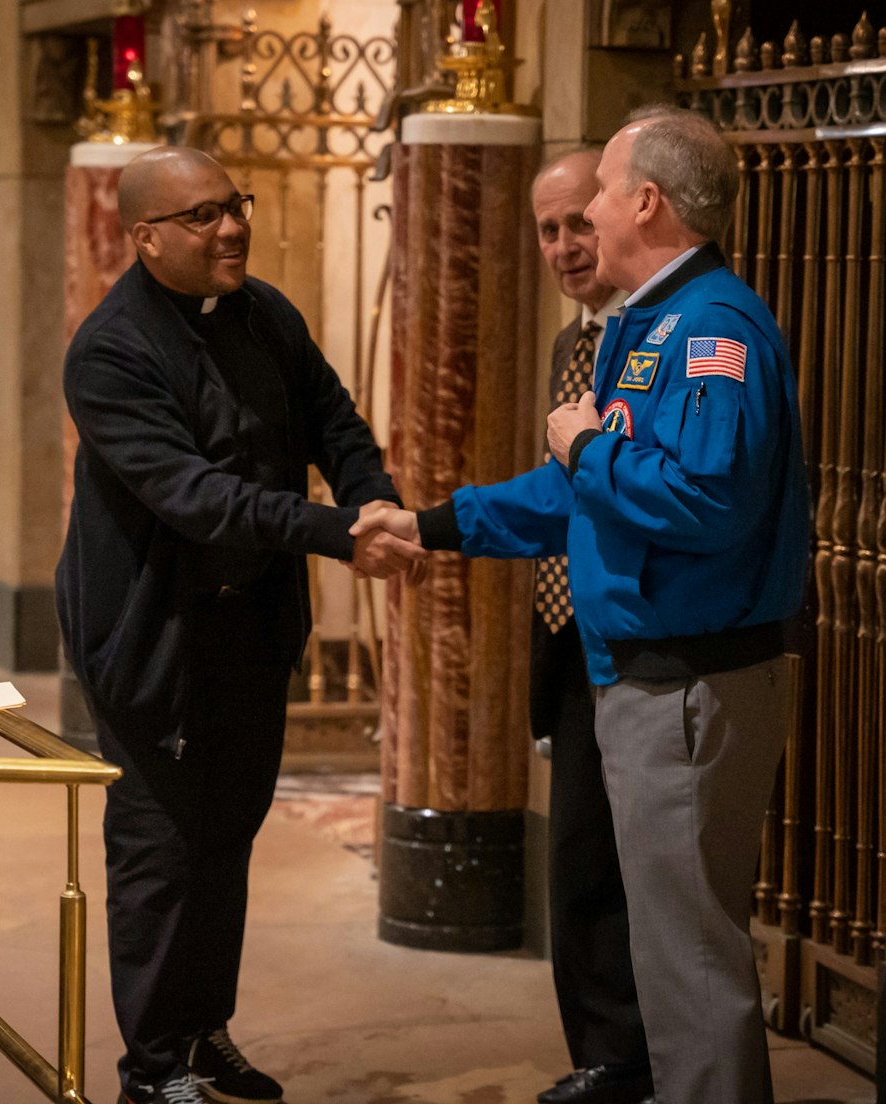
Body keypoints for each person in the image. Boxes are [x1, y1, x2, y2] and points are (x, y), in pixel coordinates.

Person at [353, 109, 810, 1104]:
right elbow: (581, 498)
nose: (586, 212)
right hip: (642, 671)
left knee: (690, 961)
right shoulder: (647, 327)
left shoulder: (712, 333)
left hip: (690, 673)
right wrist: (432, 527)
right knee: (666, 948)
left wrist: (584, 446)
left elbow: (704, 500)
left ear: (644, 201)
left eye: (600, 189)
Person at [56, 146, 424, 1104]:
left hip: (251, 629)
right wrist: (343, 534)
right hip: (155, 638)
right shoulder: (110, 351)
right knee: (160, 850)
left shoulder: (264, 312)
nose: (233, 228)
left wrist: (373, 501)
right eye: (204, 216)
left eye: (236, 206)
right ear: (145, 238)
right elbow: (197, 498)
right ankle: (148, 1072)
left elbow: (333, 422)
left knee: (228, 837)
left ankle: (200, 1030)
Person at [526, 148, 652, 1104]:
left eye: (580, 220)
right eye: (549, 229)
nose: (567, 245)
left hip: (642, 635)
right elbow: (556, 503)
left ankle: (631, 1061)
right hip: (571, 636)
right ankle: (604, 1057)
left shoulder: (663, 336)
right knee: (576, 860)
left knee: (620, 867)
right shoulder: (576, 340)